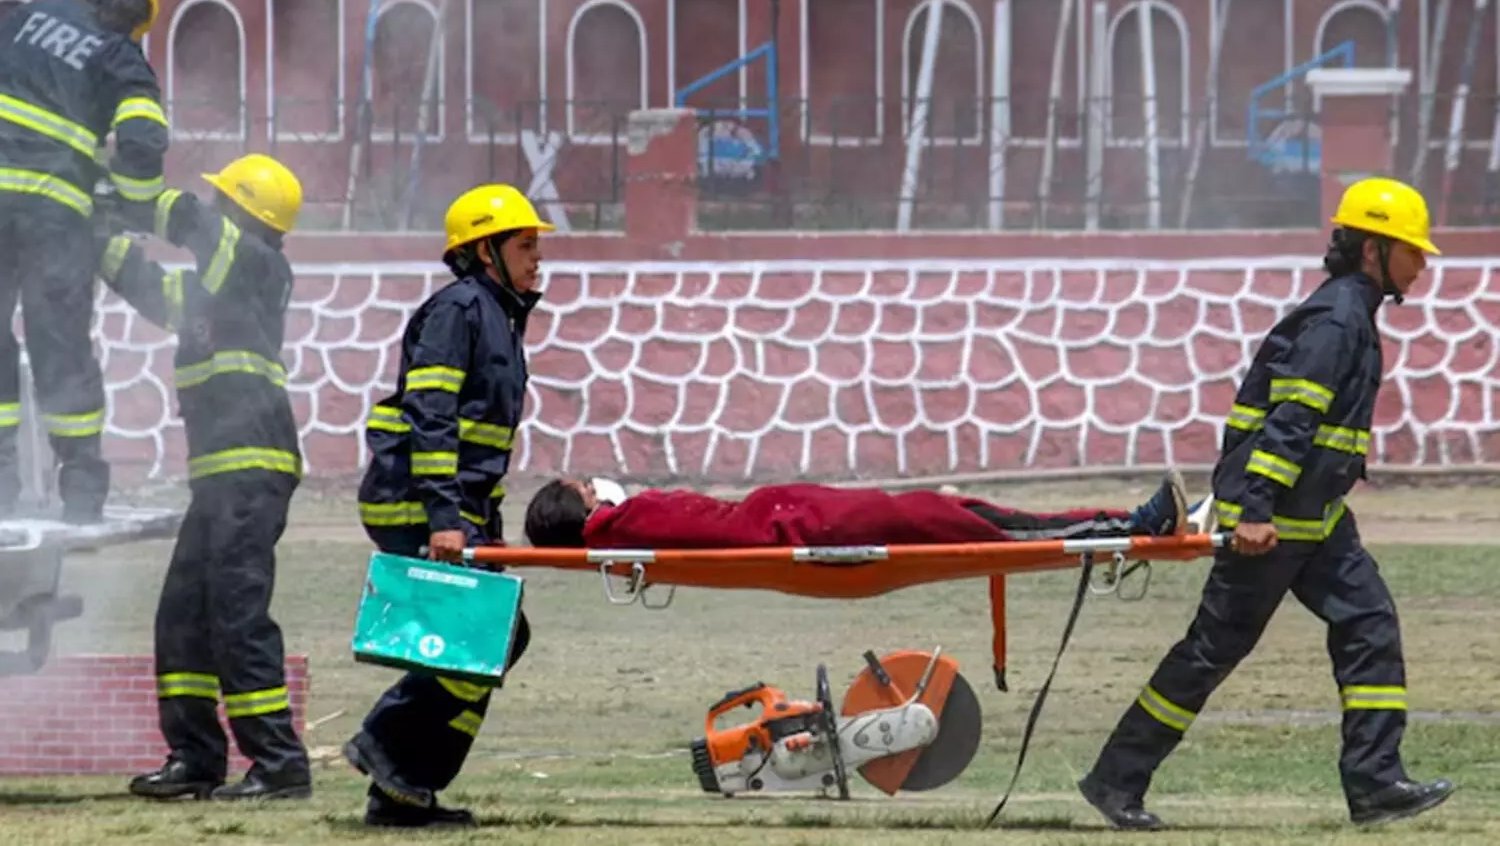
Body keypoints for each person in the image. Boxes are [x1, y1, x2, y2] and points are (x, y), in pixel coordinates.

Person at [1076, 177, 1456, 831]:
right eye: (1411, 251)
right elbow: (1288, 424)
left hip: (1319, 521)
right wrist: (1253, 511)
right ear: (1374, 249)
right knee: (1210, 651)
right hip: (1276, 522)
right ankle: (1116, 777)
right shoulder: (1336, 320)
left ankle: (1374, 782)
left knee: (1370, 627)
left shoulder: (1350, 313)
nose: (1421, 264)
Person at [98, 155, 312, 802]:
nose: (213, 210)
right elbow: (147, 285)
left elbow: (192, 223)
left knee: (236, 617)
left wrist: (119, 192)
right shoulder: (214, 290)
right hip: (218, 479)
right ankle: (195, 755)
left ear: (245, 213)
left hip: (251, 471)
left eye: (225, 203)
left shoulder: (256, 265)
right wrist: (95, 235)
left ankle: (279, 763)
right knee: (182, 617)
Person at [344, 183, 550, 829]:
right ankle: (386, 745)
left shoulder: (498, 313)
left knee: (486, 640)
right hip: (418, 501)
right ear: (484, 251)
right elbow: (431, 418)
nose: (537, 258)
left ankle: (403, 789)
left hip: (459, 507)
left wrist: (478, 518)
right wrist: (443, 519)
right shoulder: (459, 310)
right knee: (489, 636)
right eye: (524, 244)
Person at [0, 0, 168, 522]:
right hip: (54, 216)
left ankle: (0, 483)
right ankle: (81, 491)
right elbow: (143, 141)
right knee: (60, 345)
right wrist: (130, 208)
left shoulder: (21, 19)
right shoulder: (122, 56)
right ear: (139, 15)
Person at [522, 471, 1190, 550]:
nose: (600, 486)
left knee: (969, 513)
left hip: (809, 512)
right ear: (581, 512)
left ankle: (1130, 518)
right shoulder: (628, 521)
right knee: (983, 526)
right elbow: (728, 530)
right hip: (815, 523)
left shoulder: (626, 522)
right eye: (588, 488)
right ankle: (1132, 525)